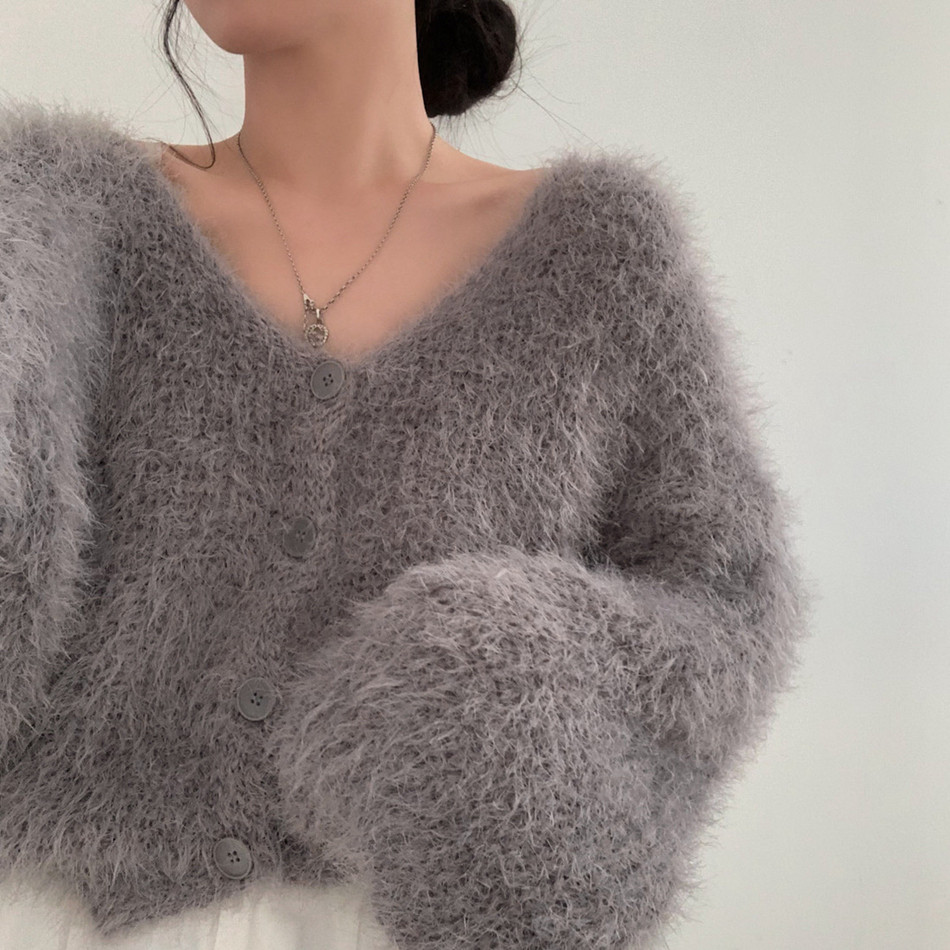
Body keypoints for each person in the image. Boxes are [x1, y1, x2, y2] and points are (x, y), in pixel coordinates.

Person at [0, 1, 814, 948]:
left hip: (422, 918)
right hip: (64, 915)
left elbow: (726, 600)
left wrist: (486, 668)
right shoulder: (56, 220)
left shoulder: (598, 258)